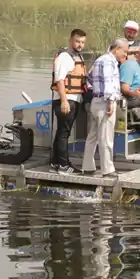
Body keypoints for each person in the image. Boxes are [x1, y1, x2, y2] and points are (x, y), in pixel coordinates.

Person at [82, 37, 128, 177]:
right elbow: (108, 83)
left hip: (96, 101)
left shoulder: (100, 59)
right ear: (117, 48)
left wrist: (96, 90)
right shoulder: (109, 62)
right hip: (105, 102)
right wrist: (110, 101)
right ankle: (107, 170)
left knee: (92, 137)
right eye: (124, 51)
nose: (125, 55)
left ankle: (88, 167)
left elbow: (89, 78)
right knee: (106, 138)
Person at [50, 28, 88, 173]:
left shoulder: (78, 57)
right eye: (77, 41)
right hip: (66, 100)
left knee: (62, 132)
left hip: (74, 99)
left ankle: (55, 162)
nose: (80, 45)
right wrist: (64, 101)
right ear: (71, 40)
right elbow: (59, 80)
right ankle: (64, 165)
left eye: (82, 42)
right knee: (64, 133)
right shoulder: (65, 57)